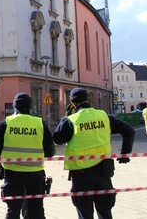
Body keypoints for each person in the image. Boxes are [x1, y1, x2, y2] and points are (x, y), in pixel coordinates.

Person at [53, 88, 135, 219]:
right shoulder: (103, 116)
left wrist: (66, 117)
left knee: (85, 213)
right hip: (103, 170)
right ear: (89, 100)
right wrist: (125, 153)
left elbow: (57, 139)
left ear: (73, 104)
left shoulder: (72, 120)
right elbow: (129, 130)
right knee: (105, 211)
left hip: (81, 173)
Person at [0, 92, 56, 219]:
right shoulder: (39, 123)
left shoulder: (7, 123)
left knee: (13, 210)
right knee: (36, 210)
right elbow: (51, 152)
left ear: (15, 107)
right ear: (30, 107)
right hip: (35, 174)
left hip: (12, 174)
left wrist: (6, 158)